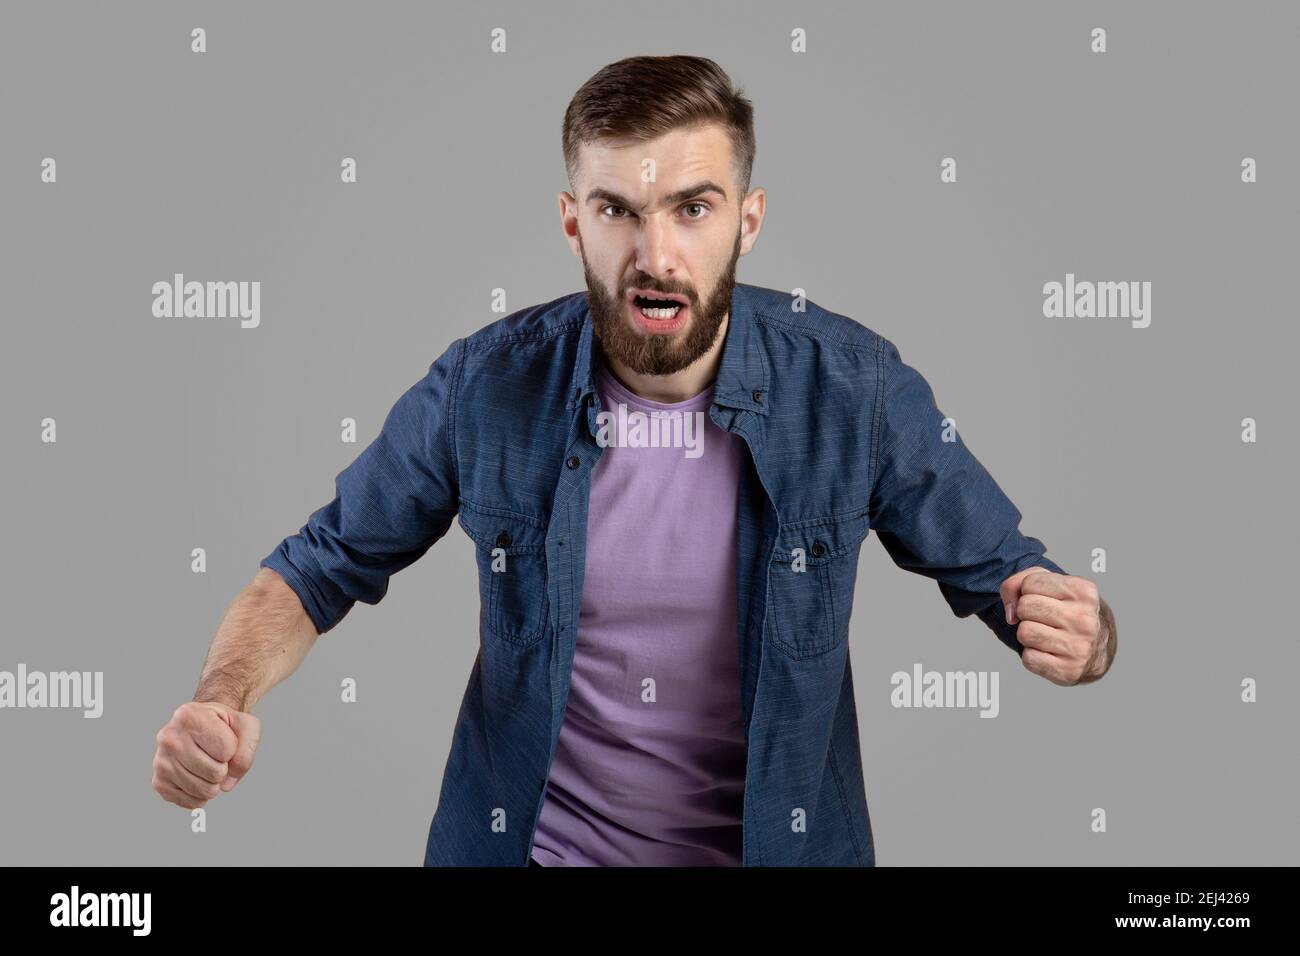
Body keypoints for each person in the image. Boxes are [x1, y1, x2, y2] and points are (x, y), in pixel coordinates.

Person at [151, 55, 1117, 867]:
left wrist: (1086, 635)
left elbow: (1017, 581)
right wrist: (218, 698)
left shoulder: (854, 388)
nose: (655, 254)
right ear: (574, 221)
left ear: (748, 218)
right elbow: (318, 566)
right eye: (619, 211)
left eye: (693, 208)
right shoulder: (481, 387)